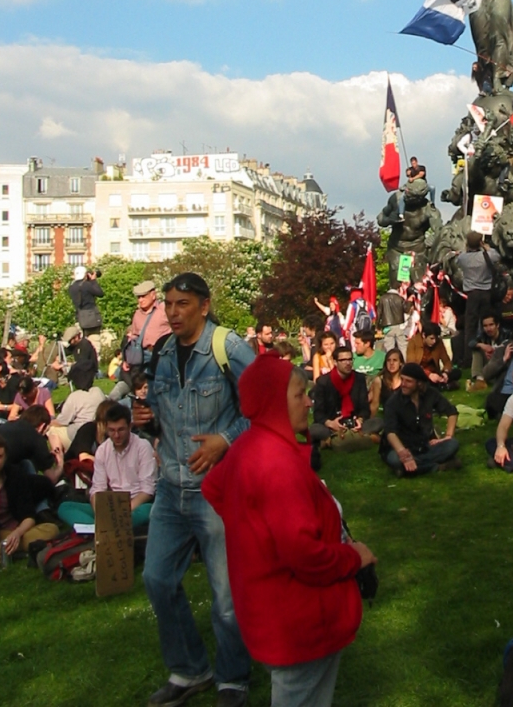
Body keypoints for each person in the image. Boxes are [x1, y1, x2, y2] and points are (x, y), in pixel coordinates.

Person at [203, 352, 376, 707]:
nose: (309, 401)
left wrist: (253, 533)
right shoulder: (276, 463)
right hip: (297, 623)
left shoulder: (249, 446)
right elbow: (306, 556)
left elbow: (214, 488)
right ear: (272, 401)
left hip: (267, 609)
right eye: (299, 394)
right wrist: (354, 558)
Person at [139, 272, 256, 707]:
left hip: (217, 491)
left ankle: (232, 678)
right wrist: (145, 419)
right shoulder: (163, 353)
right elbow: (162, 412)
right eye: (168, 304)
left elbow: (264, 405)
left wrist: (225, 440)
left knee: (226, 596)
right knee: (156, 579)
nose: (172, 312)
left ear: (204, 306)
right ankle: (189, 670)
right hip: (171, 487)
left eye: (182, 303)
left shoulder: (229, 347)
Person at [57, 401, 156, 528]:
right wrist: (100, 511)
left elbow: (147, 490)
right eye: (112, 430)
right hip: (111, 506)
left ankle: (100, 529)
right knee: (66, 507)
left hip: (136, 505)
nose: (116, 435)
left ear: (129, 427)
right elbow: (98, 488)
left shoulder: (143, 447)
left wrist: (124, 511)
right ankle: (98, 529)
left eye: (121, 430)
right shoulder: (103, 450)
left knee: (149, 511)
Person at [0, 430, 59, 561]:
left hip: (18, 531)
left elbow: (29, 516)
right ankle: (8, 550)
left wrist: (17, 534)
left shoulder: (15, 475)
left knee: (51, 530)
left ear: (5, 457)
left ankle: (5, 549)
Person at [381, 362, 460, 476]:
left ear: (419, 383)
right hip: (401, 447)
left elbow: (452, 412)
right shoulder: (393, 402)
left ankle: (411, 469)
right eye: (402, 379)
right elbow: (390, 432)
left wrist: (448, 436)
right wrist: (404, 455)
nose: (403, 384)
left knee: (452, 444)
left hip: (424, 446)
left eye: (408, 381)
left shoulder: (430, 394)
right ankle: (437, 466)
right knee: (395, 459)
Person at [310, 345, 383, 446]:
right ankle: (363, 437)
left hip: (353, 422)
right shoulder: (323, 382)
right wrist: (331, 423)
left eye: (350, 359)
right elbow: (318, 413)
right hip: (332, 424)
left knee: (379, 422)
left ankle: (331, 441)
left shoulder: (359, 379)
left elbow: (364, 408)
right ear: (335, 362)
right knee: (314, 429)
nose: (348, 363)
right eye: (343, 360)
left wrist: (360, 420)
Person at [454, 231, 500, 367]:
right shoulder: (487, 256)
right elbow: (497, 256)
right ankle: (488, 352)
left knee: (470, 326)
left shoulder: (463, 258)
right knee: (487, 324)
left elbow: (457, 260)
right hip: (486, 293)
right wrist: (487, 247)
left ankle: (469, 357)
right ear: (480, 242)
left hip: (472, 295)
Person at [0, 405, 64, 481]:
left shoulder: (8, 425)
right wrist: (60, 463)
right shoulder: (36, 437)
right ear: (42, 426)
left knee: (25, 463)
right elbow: (51, 478)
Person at [123, 281, 171, 379]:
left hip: (163, 354)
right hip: (143, 356)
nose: (140, 300)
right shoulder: (137, 314)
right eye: (138, 297)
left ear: (153, 295)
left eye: (143, 296)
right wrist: (127, 359)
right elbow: (134, 337)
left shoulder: (165, 310)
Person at [54, 364, 106, 444]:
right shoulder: (98, 391)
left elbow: (62, 421)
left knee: (53, 431)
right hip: (98, 432)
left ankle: (59, 455)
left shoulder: (74, 396)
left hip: (79, 434)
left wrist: (50, 422)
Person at [406, 322, 461, 389]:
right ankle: (443, 386)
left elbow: (447, 361)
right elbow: (412, 365)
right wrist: (429, 374)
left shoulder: (438, 343)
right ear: (424, 335)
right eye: (431, 338)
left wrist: (445, 373)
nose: (434, 341)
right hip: (420, 374)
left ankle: (441, 384)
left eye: (435, 338)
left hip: (435, 373)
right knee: (422, 381)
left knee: (457, 372)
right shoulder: (413, 342)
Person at [468, 310, 510, 384]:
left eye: (491, 325)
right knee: (477, 349)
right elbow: (471, 343)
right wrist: (482, 346)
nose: (488, 329)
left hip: (501, 365)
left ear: (497, 325)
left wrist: (494, 351)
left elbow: (509, 345)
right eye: (485, 326)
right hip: (488, 365)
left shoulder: (506, 334)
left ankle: (481, 380)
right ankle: (479, 378)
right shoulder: (483, 336)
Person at [68, 266, 104, 337]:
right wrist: (93, 281)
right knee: (94, 340)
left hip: (80, 317)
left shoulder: (71, 287)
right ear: (85, 274)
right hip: (92, 318)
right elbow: (100, 293)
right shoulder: (87, 285)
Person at [0, 351, 22, 418]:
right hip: (2, 414)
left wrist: (0, 407)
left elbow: (20, 406)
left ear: (0, 368)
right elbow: (0, 401)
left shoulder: (14, 382)